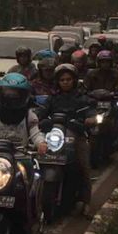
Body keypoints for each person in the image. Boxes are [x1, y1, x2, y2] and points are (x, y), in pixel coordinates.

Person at [37, 64, 97, 210]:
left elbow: (91, 114)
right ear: (57, 81)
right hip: (54, 136)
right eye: (62, 79)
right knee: (34, 159)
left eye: (68, 79)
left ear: (74, 80)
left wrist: (90, 120)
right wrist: (38, 119)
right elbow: (40, 114)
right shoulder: (53, 99)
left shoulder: (82, 99)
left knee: (84, 166)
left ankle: (86, 202)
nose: (65, 82)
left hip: (76, 136)